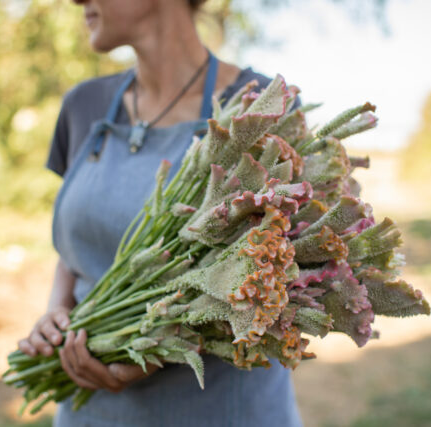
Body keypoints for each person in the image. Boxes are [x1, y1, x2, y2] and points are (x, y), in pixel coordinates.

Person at [17, 0, 303, 425]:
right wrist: (56, 313)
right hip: (93, 411)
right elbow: (80, 246)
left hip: (223, 411)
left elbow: (285, 273)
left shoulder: (260, 106)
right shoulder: (85, 106)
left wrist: (174, 340)